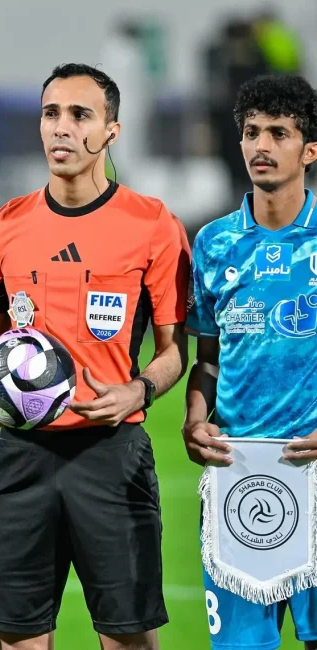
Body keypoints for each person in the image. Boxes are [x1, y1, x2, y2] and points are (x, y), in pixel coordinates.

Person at [0, 63, 191, 650]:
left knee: (128, 638)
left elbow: (174, 352)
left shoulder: (153, 226)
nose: (61, 127)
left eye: (80, 115)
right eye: (51, 114)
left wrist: (138, 391)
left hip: (111, 456)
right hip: (20, 457)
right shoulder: (0, 230)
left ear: (111, 131)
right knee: (18, 637)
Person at [184, 74, 317, 650]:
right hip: (239, 475)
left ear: (310, 150)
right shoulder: (213, 244)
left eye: (279, 133)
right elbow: (207, 359)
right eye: (251, 132)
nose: (261, 145)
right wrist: (194, 420)